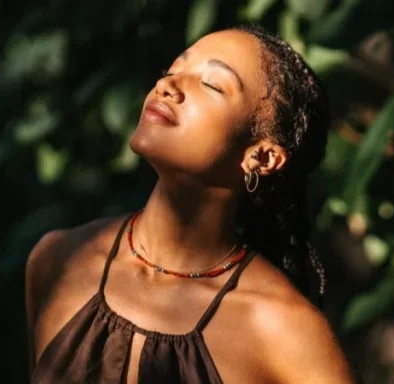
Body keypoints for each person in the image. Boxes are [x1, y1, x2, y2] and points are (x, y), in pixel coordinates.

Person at [25, 24, 356, 384]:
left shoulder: (283, 328)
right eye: (173, 69)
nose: (167, 85)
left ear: (261, 157)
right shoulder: (57, 261)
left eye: (212, 84)